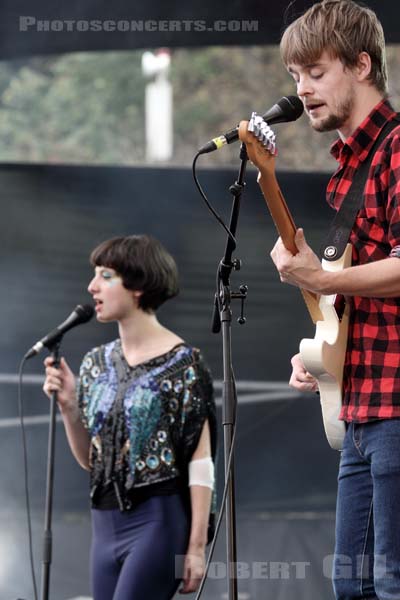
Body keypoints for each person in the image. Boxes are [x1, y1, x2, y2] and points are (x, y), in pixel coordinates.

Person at [241, 1, 400, 599]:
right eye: (294, 77)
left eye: (314, 71)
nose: (301, 90)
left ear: (361, 65)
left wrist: (324, 279)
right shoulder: (352, 167)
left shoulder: (398, 148)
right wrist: (319, 355)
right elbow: (359, 294)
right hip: (360, 409)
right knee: (353, 589)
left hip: (396, 408)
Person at [43, 234, 217, 600]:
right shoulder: (95, 363)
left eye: (106, 276)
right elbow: (94, 462)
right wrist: (69, 406)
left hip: (157, 521)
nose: (92, 287)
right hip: (104, 523)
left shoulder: (183, 363)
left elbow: (201, 462)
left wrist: (198, 547)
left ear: (138, 286)